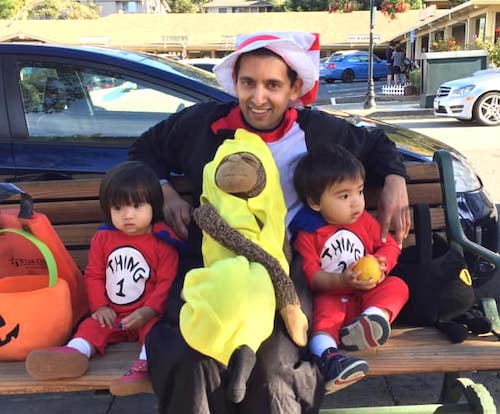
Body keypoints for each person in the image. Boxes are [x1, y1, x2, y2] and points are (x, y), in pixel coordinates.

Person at [129, 31, 411, 413]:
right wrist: (167, 194)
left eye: (272, 85)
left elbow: (378, 144)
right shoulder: (202, 125)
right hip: (210, 264)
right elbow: (143, 149)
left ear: (294, 88)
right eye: (248, 83)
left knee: (273, 363)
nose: (258, 98)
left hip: (285, 268)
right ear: (236, 84)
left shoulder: (318, 131)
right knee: (189, 352)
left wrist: (394, 180)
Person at [25, 161, 183, 397]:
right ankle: (73, 354)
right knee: (91, 326)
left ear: (154, 205)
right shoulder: (104, 239)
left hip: (148, 314)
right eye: (118, 208)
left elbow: (166, 283)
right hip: (113, 313)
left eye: (137, 206)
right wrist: (100, 307)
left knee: (157, 334)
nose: (127, 215)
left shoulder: (163, 241)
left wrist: (149, 311)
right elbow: (95, 274)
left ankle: (143, 367)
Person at [290, 145, 409, 395]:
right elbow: (311, 277)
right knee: (322, 317)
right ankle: (330, 358)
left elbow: (389, 246)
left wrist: (380, 263)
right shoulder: (308, 234)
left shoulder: (365, 221)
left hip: (366, 297)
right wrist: (341, 280)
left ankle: (373, 319)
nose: (356, 203)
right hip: (332, 297)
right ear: (314, 202)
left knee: (397, 286)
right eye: (344, 196)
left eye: (360, 191)